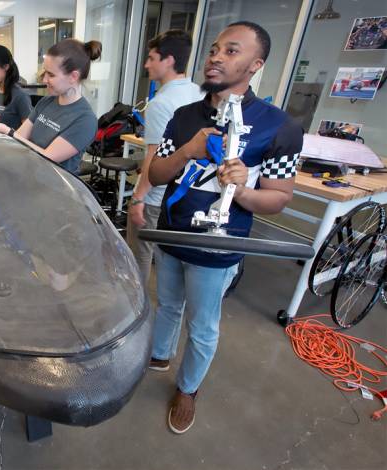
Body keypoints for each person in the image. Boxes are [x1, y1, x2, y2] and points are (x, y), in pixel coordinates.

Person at [147, 21, 302, 434]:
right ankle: (159, 355)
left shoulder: (279, 127)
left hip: (217, 248)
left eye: (231, 51)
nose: (215, 57)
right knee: (166, 305)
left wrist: (243, 190)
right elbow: (158, 173)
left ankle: (188, 389)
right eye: (214, 48)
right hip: (171, 234)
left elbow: (279, 198)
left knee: (202, 325)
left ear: (256, 65)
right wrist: (189, 150)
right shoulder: (184, 116)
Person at [126, 30, 204, 286]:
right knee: (171, 261)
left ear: (168, 60)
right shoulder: (199, 94)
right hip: (186, 194)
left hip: (156, 197)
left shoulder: (161, 103)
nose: (147, 64)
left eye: (151, 58)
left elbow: (154, 157)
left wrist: (138, 198)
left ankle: (135, 308)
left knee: (139, 257)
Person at [0, 39, 101, 175]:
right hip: (30, 178)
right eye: (45, 72)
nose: (44, 80)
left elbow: (47, 157)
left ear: (73, 77)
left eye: (51, 74)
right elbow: (18, 138)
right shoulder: (46, 102)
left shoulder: (85, 120)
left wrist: (8, 131)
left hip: (57, 190)